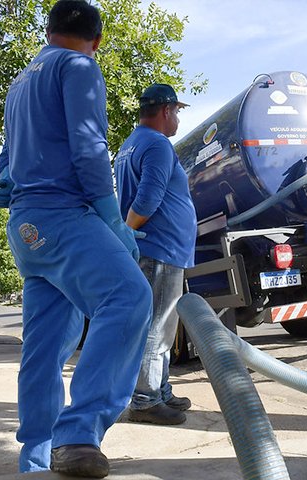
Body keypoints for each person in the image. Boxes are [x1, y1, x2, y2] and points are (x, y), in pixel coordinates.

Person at [0, 1, 152, 477]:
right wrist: (112, 218)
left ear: (48, 31)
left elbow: (8, 155)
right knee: (129, 297)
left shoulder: (20, 83)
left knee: (47, 342)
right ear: (97, 41)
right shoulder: (79, 66)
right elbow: (89, 146)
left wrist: (10, 180)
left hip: (27, 226)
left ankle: (35, 458)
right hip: (63, 215)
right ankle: (78, 434)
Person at [114, 84, 197, 425]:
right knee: (157, 327)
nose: (177, 118)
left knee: (163, 325)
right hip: (159, 248)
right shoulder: (158, 144)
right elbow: (148, 198)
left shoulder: (129, 145)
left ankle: (160, 390)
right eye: (176, 111)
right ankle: (146, 400)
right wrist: (127, 232)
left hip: (156, 248)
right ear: (165, 110)